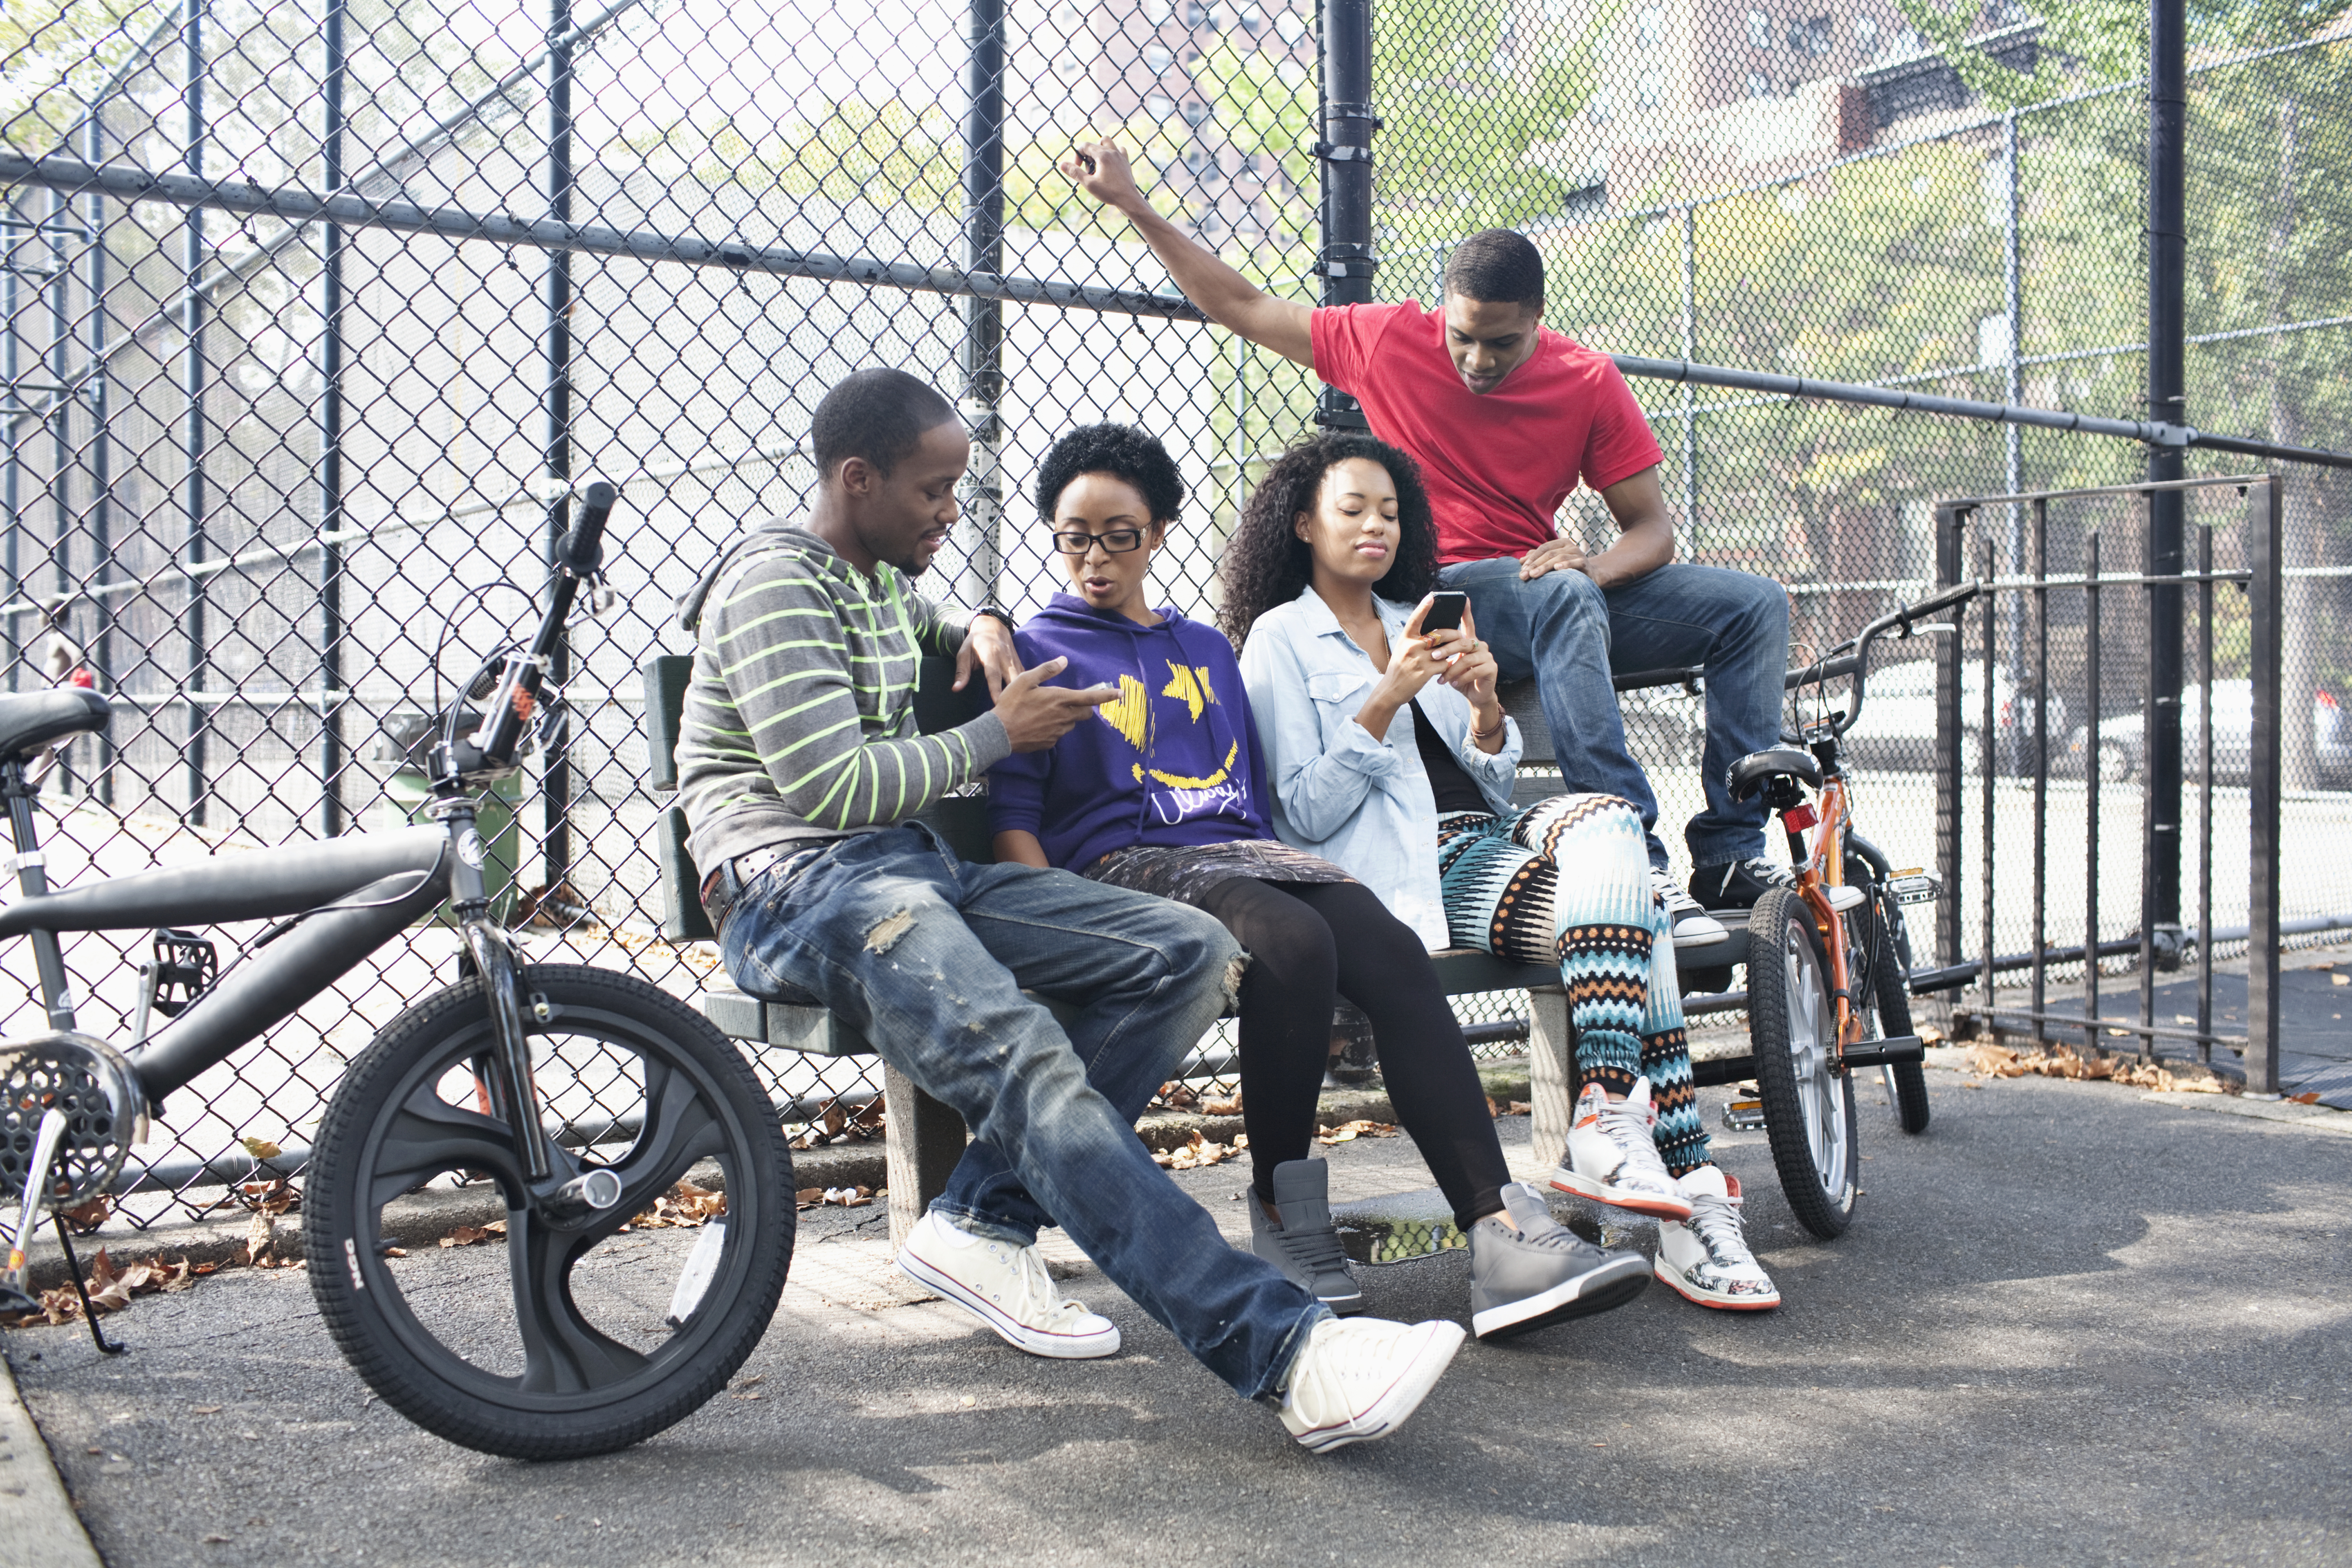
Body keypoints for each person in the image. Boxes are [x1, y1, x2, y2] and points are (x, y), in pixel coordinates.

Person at [674, 368, 1465, 1449]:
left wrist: (987, 621)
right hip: (796, 888)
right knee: (1022, 1052)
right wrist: (1002, 729)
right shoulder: (776, 585)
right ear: (856, 480)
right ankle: (1287, 1353)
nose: (951, 510)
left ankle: (980, 1222)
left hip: (903, 873)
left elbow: (946, 625)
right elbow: (830, 791)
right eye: (932, 490)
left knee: (1187, 950)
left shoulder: (877, 585)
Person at [977, 421, 1652, 1341]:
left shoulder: (1204, 651)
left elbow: (1255, 806)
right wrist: (1055, 918)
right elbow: (1015, 817)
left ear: (1159, 533)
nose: (1095, 558)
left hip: (1235, 852)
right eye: (1073, 536)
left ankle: (1497, 1232)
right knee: (1293, 942)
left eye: (1119, 535)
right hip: (1119, 870)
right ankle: (1285, 1208)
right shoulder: (1035, 649)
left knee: (1378, 941)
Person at [1061, 139, 1797, 939]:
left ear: (1538, 326)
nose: (1478, 360)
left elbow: (1652, 529)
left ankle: (1726, 851)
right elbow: (1243, 306)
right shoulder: (1387, 340)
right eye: (1463, 337)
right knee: (1562, 594)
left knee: (1753, 605)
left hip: (1555, 598)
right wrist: (1135, 207)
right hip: (1446, 595)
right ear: (1441, 310)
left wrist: (1592, 563)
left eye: (1502, 344)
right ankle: (1639, 856)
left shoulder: (1587, 380)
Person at [1227, 433, 1780, 1311]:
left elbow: (1485, 780)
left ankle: (1604, 1102)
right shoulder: (1278, 639)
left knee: (1608, 821)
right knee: (1637, 918)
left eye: (1389, 511)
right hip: (1407, 867)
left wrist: (1482, 709)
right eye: (1351, 509)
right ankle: (1694, 1206)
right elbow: (1299, 813)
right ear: (1301, 524)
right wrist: (1384, 699)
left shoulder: (1418, 615)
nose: (1375, 525)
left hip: (1487, 834)